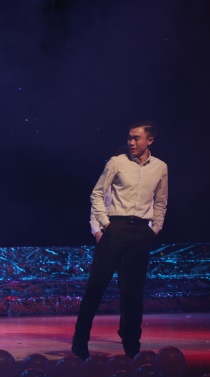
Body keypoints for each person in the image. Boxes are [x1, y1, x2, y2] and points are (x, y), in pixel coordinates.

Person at [72, 121, 168, 360]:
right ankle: (80, 340)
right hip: (116, 227)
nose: (131, 142)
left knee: (133, 291)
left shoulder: (160, 167)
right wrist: (105, 225)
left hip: (141, 232)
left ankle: (131, 343)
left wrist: (154, 229)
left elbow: (161, 202)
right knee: (96, 286)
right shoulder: (117, 162)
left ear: (150, 140)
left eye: (136, 138)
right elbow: (97, 194)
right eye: (129, 138)